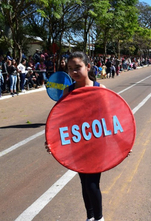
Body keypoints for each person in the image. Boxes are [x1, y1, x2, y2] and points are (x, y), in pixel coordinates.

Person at [46, 52, 106, 221]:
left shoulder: (100, 90)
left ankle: (99, 218)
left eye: (78, 67)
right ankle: (90, 216)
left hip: (96, 144)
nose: (73, 72)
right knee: (84, 183)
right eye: (70, 69)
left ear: (88, 66)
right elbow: (61, 119)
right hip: (77, 143)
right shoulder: (68, 91)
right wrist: (52, 141)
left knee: (91, 183)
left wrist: (122, 145)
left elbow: (112, 120)